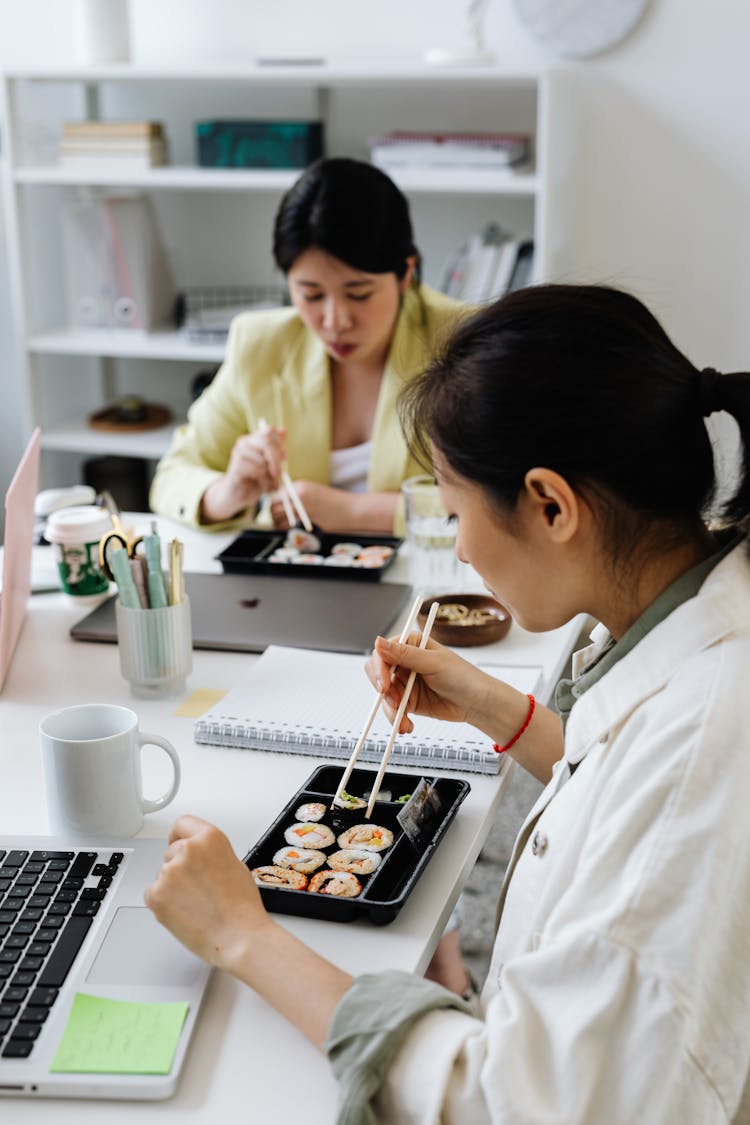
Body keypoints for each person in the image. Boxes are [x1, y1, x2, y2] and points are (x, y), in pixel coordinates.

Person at [145, 284, 750, 1123]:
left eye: (457, 509)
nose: (459, 547)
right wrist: (493, 705)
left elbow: (515, 1103)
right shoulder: (700, 604)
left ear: (550, 504)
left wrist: (242, 935)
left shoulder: (703, 752)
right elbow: (614, 763)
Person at [149, 157, 465, 535]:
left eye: (359, 294)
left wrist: (354, 511)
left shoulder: (463, 340)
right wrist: (229, 492)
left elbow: (495, 498)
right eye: (311, 294)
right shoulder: (260, 345)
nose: (335, 321)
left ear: (405, 274)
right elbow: (171, 476)